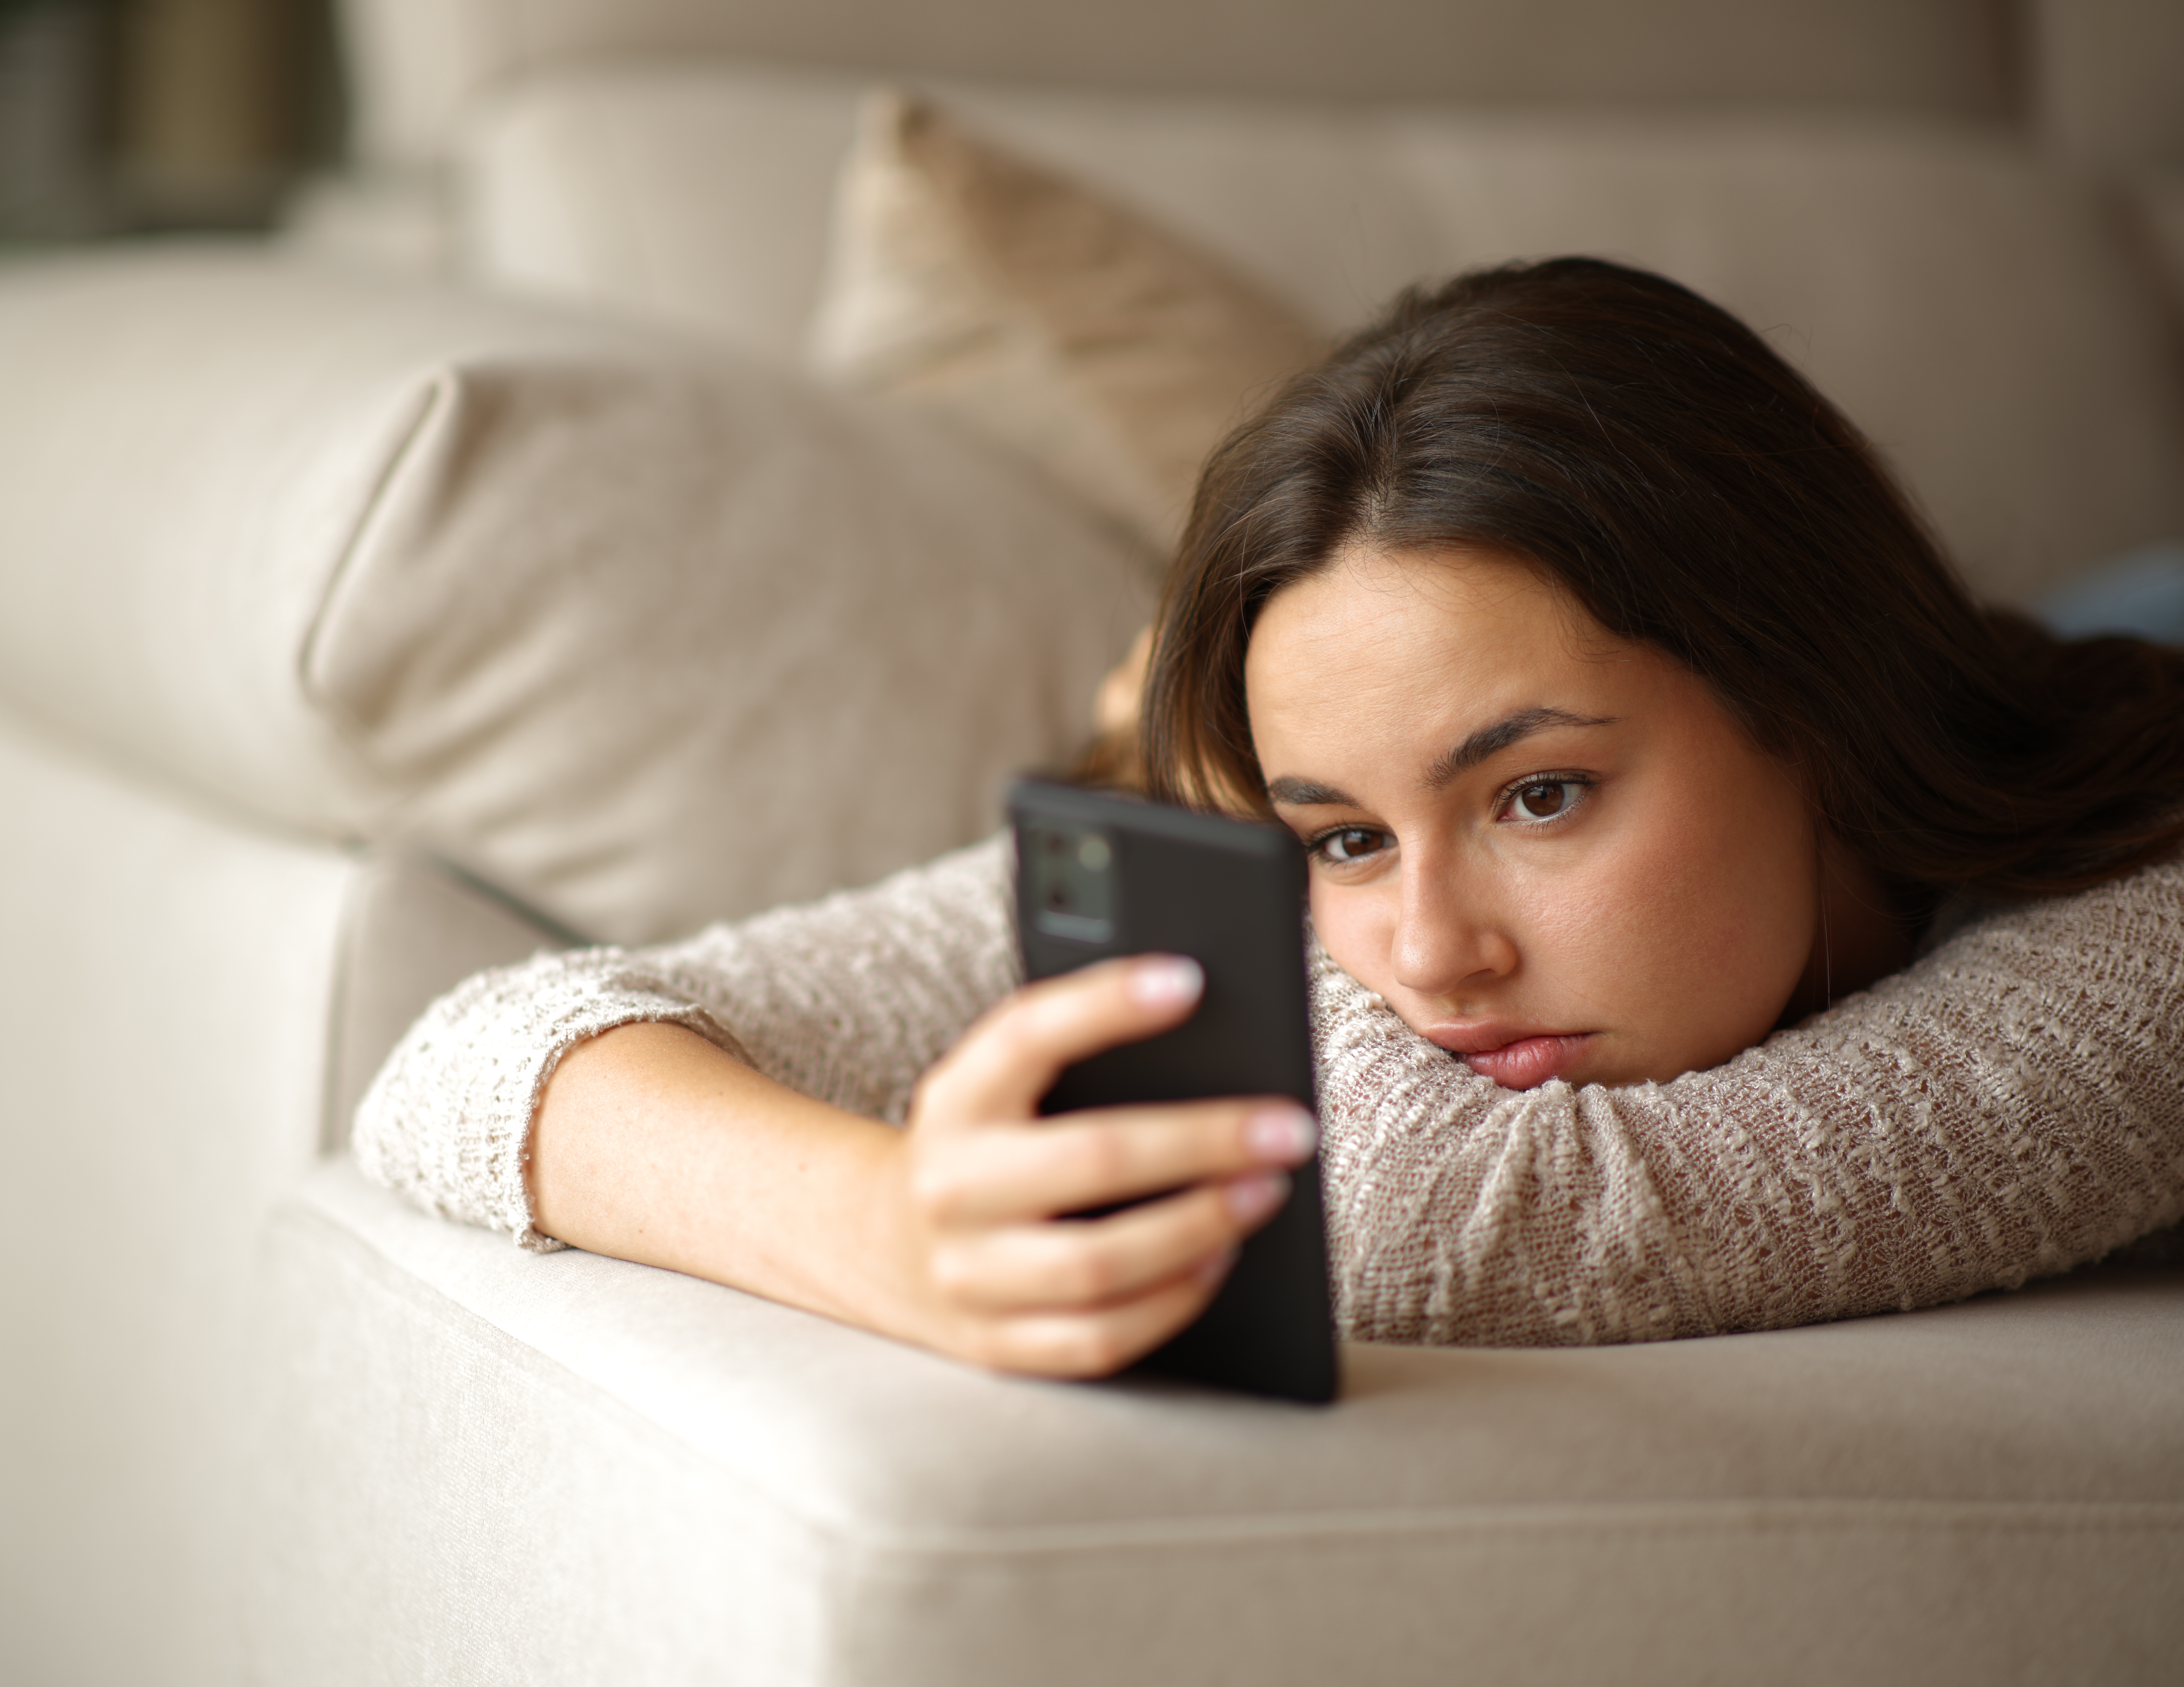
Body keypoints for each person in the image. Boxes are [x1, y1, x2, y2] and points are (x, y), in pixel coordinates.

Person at [355, 258, 2184, 1376]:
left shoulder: (2149, 931)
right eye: (1344, 839)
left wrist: (1228, 872)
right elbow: (464, 1064)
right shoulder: (1354, 872)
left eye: (1541, 794)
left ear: (1817, 693)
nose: (1433, 959)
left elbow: (1423, 1227)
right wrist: (896, 1225)